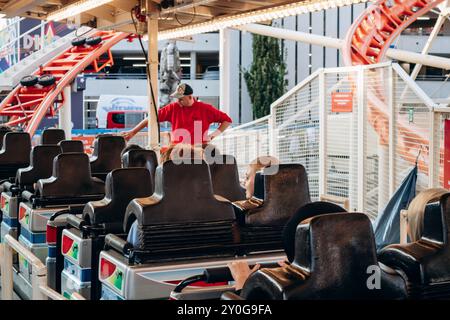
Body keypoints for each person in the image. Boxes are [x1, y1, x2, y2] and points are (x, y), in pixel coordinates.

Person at [122, 83, 232, 145]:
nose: (178, 101)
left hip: (199, 151)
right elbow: (151, 118)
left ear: (190, 97)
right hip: (176, 151)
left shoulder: (206, 109)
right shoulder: (173, 108)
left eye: (181, 99)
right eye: (177, 99)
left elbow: (227, 120)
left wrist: (212, 136)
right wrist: (133, 132)